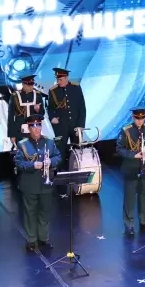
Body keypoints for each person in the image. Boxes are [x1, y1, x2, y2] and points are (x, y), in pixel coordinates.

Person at [14, 116, 61, 251]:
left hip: (46, 184)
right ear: (29, 128)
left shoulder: (49, 142)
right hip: (30, 184)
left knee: (45, 212)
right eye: (34, 127)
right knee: (30, 213)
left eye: (39, 126)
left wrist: (51, 162)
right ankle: (31, 240)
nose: (37, 129)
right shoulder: (22, 144)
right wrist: (33, 165)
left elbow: (58, 156)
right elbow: (18, 162)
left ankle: (43, 238)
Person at [116, 107, 145, 236]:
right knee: (130, 197)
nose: (140, 121)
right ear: (133, 117)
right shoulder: (126, 130)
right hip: (131, 167)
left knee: (144, 195)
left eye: (142, 118)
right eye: (137, 118)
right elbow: (119, 149)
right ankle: (129, 224)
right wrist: (133, 155)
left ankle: (144, 222)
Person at [48, 67, 87, 197]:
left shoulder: (76, 88)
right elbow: (50, 108)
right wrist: (52, 117)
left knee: (78, 153)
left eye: (61, 79)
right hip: (61, 127)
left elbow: (82, 108)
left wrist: (80, 126)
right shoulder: (53, 91)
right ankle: (62, 186)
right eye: (57, 79)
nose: (58, 81)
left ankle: (79, 182)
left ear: (66, 78)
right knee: (60, 154)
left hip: (75, 126)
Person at [7, 75, 46, 149]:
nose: (31, 87)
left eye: (32, 84)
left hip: (34, 130)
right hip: (19, 131)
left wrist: (38, 110)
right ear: (23, 84)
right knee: (22, 151)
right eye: (28, 85)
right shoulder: (15, 96)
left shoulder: (37, 95)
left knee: (35, 151)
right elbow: (10, 117)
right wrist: (11, 135)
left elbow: (42, 114)